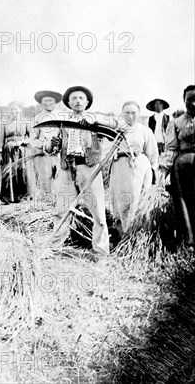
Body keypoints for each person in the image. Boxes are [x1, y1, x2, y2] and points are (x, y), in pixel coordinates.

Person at [44, 86, 111, 262]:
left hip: (89, 169)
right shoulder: (62, 122)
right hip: (66, 169)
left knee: (98, 214)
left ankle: (101, 254)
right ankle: (53, 250)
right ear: (68, 103)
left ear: (87, 102)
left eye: (81, 98)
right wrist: (52, 143)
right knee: (61, 211)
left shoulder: (96, 119)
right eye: (74, 98)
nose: (78, 101)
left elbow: (115, 126)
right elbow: (49, 149)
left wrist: (93, 122)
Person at [109, 101, 159, 235]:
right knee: (122, 201)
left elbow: (153, 154)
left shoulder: (144, 130)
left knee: (139, 200)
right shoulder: (116, 131)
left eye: (133, 113)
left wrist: (153, 171)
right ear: (122, 114)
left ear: (138, 113)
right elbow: (107, 151)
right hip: (120, 166)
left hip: (140, 167)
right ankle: (123, 234)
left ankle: (140, 234)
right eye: (127, 113)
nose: (130, 116)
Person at [161, 85, 195, 245]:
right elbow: (171, 149)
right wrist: (164, 173)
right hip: (182, 167)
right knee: (182, 201)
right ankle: (189, 241)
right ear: (184, 100)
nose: (193, 104)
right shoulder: (176, 123)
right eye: (190, 100)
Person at [0, 101, 35, 204]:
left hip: (22, 150)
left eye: (16, 109)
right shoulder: (5, 123)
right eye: (11, 109)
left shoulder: (26, 122)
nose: (14, 111)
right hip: (8, 151)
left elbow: (32, 137)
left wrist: (22, 142)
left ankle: (24, 196)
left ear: (20, 110)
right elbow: (1, 139)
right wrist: (0, 153)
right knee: (10, 172)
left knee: (22, 171)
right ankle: (10, 197)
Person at [30, 90, 62, 194]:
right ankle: (47, 205)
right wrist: (44, 145)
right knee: (45, 182)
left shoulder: (62, 116)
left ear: (55, 102)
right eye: (45, 101)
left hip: (60, 155)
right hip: (43, 156)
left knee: (61, 181)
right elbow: (33, 139)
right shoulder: (37, 118)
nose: (48, 103)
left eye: (50, 100)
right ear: (41, 103)